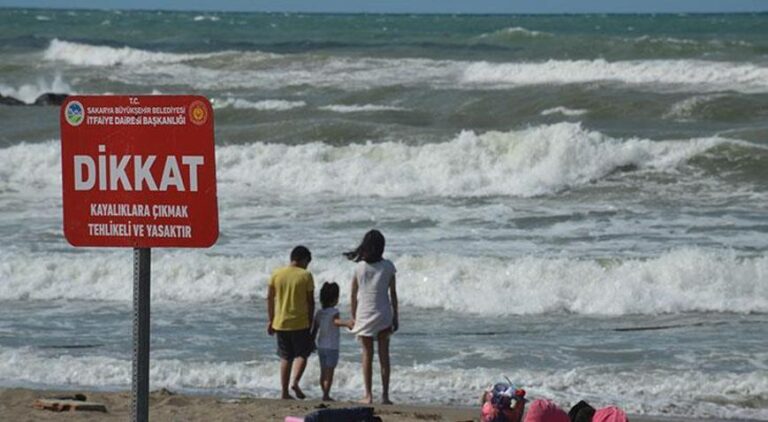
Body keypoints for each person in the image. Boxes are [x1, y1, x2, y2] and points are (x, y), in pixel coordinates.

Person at [346, 229, 398, 404]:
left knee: (367, 355)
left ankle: (368, 395)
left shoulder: (359, 267)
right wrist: (396, 316)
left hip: (364, 313)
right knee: (384, 356)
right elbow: (393, 294)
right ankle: (385, 396)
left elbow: (353, 294)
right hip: (383, 313)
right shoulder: (388, 266)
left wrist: (353, 316)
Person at [267, 245, 315, 400]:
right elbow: (310, 302)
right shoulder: (305, 275)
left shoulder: (277, 274)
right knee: (302, 354)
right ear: (303, 260)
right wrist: (310, 320)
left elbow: (270, 298)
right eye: (307, 262)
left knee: (285, 357)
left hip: (280, 322)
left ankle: (284, 392)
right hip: (300, 322)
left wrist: (271, 319)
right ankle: (295, 382)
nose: (307, 265)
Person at [311, 282, 354, 401]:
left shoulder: (319, 313)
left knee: (323, 371)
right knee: (330, 372)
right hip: (332, 347)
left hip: (321, 346)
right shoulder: (334, 312)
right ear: (335, 299)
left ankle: (324, 392)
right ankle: (326, 394)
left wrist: (311, 341)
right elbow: (336, 322)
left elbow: (315, 328)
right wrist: (347, 323)